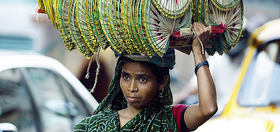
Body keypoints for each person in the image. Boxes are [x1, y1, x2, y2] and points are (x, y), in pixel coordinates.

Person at [74, 22, 217, 131]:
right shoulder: (97, 125)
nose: (132, 88)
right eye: (126, 77)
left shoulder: (170, 119)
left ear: (162, 81)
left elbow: (208, 109)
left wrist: (198, 52)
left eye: (142, 79)